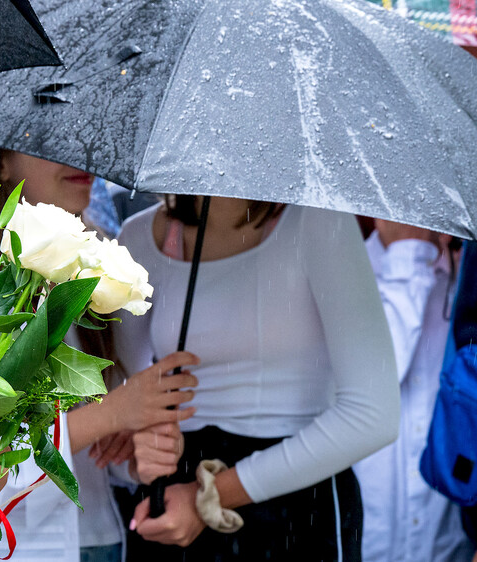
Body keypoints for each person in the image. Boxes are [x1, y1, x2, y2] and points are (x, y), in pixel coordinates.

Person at [0, 145, 199, 562]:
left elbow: (106, 442)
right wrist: (113, 414)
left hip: (98, 536)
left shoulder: (106, 266)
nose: (80, 155)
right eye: (50, 143)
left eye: (87, 139)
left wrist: (138, 454)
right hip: (3, 548)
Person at [115, 195, 400, 561]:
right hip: (172, 500)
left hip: (296, 494)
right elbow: (115, 408)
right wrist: (140, 460)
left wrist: (210, 497)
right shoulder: (138, 236)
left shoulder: (319, 221)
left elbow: (374, 414)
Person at [353, 220, 473, 562]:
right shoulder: (343, 274)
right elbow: (372, 386)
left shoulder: (465, 286)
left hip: (448, 543)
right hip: (365, 543)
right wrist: (408, 252)